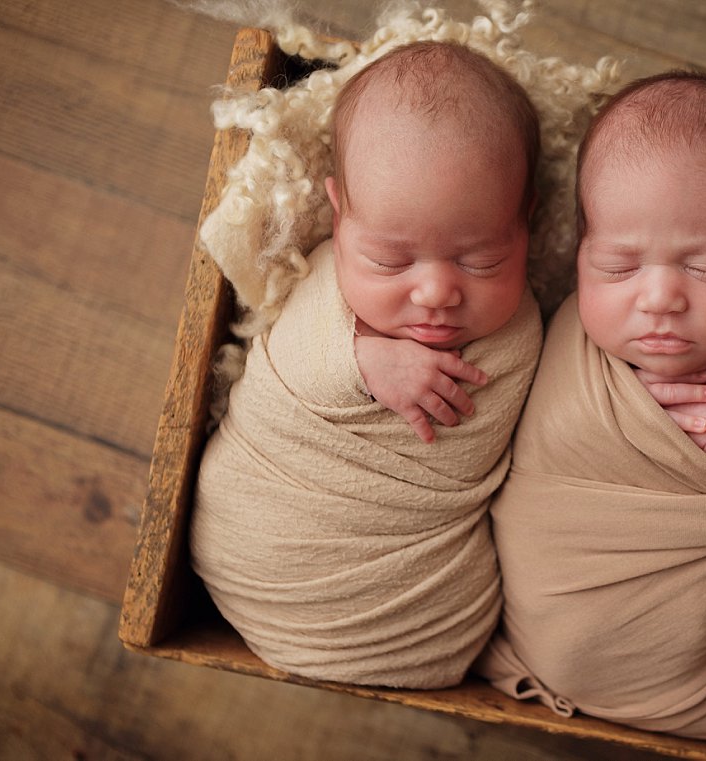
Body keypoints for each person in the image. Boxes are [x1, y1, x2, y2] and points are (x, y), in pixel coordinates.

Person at [476, 71, 706, 738]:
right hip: (552, 609)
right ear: (580, 251)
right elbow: (536, 444)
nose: (660, 296)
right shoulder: (567, 339)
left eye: (705, 267)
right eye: (618, 266)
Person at [189, 41, 543, 690]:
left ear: (528, 223)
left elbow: (514, 459)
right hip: (257, 536)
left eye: (480, 260)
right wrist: (360, 357)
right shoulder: (325, 279)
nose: (435, 291)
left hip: (425, 621)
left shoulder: (522, 335)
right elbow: (285, 367)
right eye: (389, 259)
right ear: (340, 214)